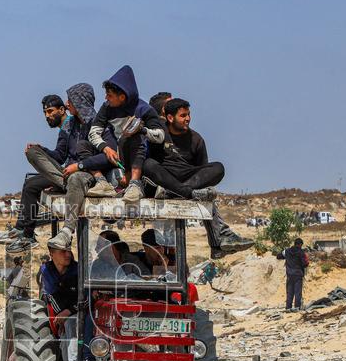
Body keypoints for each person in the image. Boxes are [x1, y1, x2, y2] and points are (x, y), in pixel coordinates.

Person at [2, 84, 114, 253]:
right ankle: (25, 234)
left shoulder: (99, 124)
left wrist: (80, 166)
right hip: (67, 173)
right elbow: (60, 156)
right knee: (32, 173)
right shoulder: (71, 125)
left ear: (79, 102)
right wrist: (42, 151)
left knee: (74, 178)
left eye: (71, 101)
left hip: (86, 176)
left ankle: (64, 231)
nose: (68, 105)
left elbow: (108, 157)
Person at [142, 98, 253, 258]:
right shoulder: (160, 134)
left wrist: (188, 189)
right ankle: (219, 238)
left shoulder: (196, 139)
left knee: (218, 168)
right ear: (170, 118)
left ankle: (177, 193)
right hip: (165, 179)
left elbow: (203, 172)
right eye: (183, 115)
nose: (188, 118)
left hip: (187, 181)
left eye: (188, 114)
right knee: (149, 164)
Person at [87, 65, 166, 206]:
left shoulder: (143, 108)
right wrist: (105, 148)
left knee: (132, 136)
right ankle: (102, 183)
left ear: (122, 97)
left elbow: (160, 136)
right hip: (116, 154)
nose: (106, 98)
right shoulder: (107, 108)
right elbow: (94, 132)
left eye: (110, 95)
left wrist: (142, 130)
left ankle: (135, 183)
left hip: (140, 156)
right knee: (83, 145)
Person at [40, 240, 81, 361]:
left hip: (79, 309)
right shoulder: (46, 270)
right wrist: (61, 314)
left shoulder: (79, 270)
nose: (68, 254)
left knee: (72, 321)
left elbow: (86, 298)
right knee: (67, 327)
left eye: (69, 250)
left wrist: (68, 312)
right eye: (63, 251)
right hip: (58, 311)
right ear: (52, 254)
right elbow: (51, 295)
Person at [282, 238, 308, 311]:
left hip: (289, 275)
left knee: (289, 292)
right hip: (298, 274)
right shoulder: (301, 252)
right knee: (297, 292)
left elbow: (279, 256)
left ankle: (288, 307)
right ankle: (297, 307)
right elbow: (305, 264)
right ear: (300, 244)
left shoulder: (287, 251)